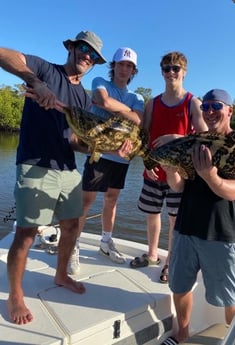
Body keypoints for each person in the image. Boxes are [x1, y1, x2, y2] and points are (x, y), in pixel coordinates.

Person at [0, 30, 106, 325]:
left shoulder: (83, 99)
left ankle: (61, 275)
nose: (88, 56)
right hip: (35, 165)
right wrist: (36, 83)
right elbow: (3, 54)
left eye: (94, 56)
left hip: (67, 168)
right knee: (27, 233)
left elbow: (78, 143)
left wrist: (100, 145)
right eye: (84, 49)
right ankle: (16, 295)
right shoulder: (46, 69)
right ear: (71, 47)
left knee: (72, 225)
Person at [161, 89, 235, 344]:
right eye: (205, 107)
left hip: (221, 234)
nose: (210, 111)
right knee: (179, 287)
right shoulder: (196, 140)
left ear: (230, 110)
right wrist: (171, 171)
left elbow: (234, 190)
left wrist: (210, 176)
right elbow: (179, 187)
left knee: (230, 299)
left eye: (216, 106)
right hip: (185, 228)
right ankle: (181, 333)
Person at [129, 51, 207, 284]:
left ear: (184, 72)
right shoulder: (153, 103)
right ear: (161, 72)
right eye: (166, 69)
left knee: (175, 219)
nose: (171, 72)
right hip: (153, 169)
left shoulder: (192, 101)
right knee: (152, 215)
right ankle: (153, 254)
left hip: (179, 173)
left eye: (175, 68)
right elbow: (144, 135)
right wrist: (146, 160)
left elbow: (204, 135)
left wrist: (176, 136)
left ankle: (171, 260)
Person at [67, 47, 144, 274]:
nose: (124, 69)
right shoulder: (101, 81)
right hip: (99, 153)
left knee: (111, 200)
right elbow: (102, 100)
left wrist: (119, 108)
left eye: (129, 66)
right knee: (86, 202)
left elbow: (138, 120)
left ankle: (105, 242)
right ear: (114, 66)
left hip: (121, 157)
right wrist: (126, 111)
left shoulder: (137, 97)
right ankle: (73, 246)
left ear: (133, 71)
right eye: (120, 64)